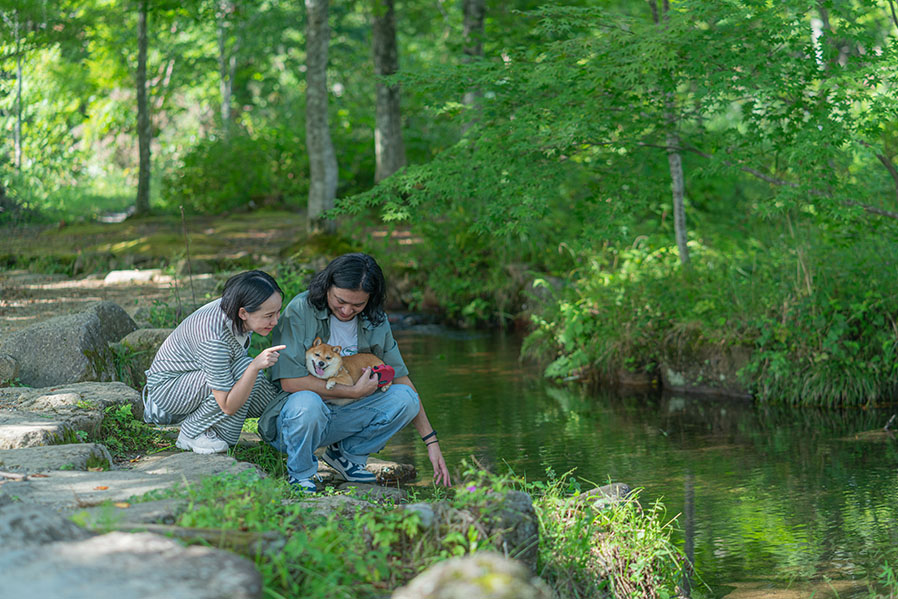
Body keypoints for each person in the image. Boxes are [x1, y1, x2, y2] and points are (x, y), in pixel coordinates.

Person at [258, 253, 450, 493]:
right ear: (327, 286)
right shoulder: (300, 310)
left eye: (358, 304)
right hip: (296, 422)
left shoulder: (376, 319)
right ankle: (301, 474)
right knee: (308, 402)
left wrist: (431, 442)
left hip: (343, 418)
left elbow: (400, 378)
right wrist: (353, 391)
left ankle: (346, 455)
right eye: (340, 301)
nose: (347, 310)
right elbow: (289, 382)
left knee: (405, 398)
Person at [143, 270, 286, 454]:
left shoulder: (235, 308)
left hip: (198, 380)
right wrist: (254, 366)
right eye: (269, 316)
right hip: (169, 390)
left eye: (278, 312)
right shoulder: (213, 338)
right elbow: (227, 404)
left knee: (266, 394)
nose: (275, 321)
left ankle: (211, 429)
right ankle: (192, 432)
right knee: (246, 370)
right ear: (243, 313)